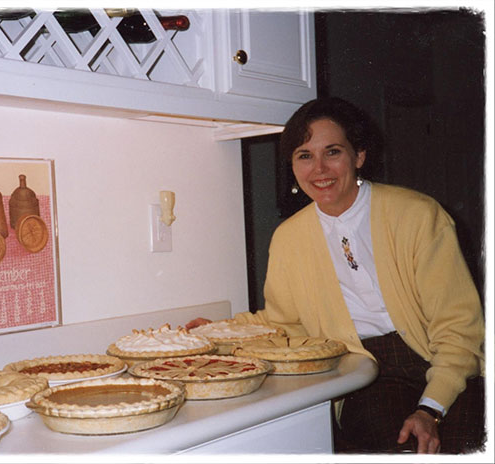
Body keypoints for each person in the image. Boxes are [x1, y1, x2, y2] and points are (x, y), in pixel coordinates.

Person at [189, 97, 485, 454]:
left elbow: (458, 327)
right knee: (398, 446)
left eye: (332, 152)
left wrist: (430, 408)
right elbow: (284, 322)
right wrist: (218, 332)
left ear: (358, 155)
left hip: (443, 357)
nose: (319, 169)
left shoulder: (419, 216)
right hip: (366, 367)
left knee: (466, 446)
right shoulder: (289, 238)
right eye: (304, 155)